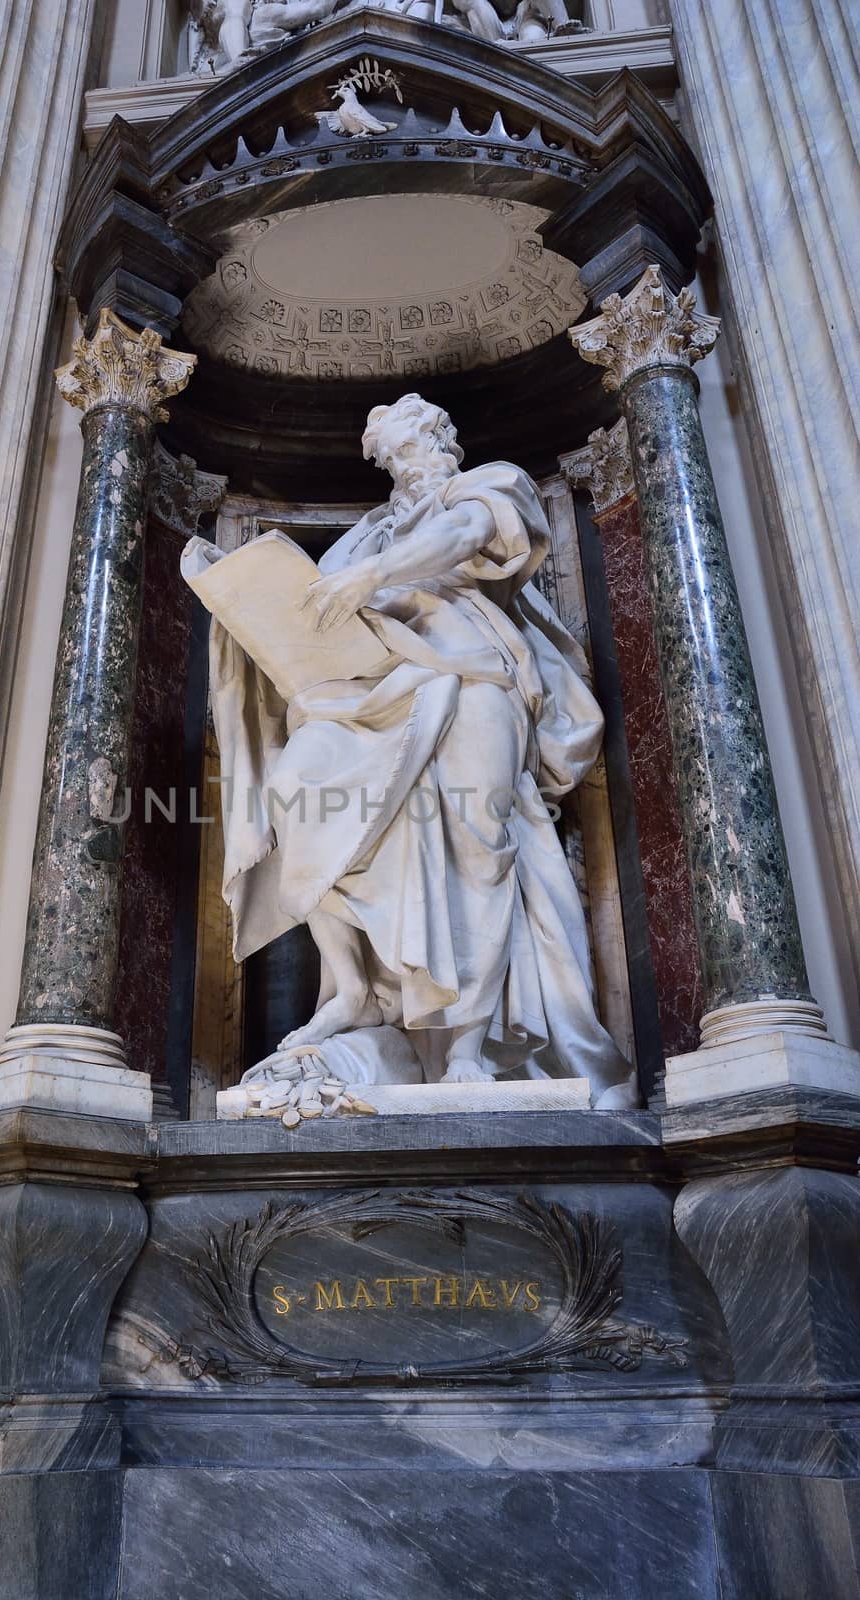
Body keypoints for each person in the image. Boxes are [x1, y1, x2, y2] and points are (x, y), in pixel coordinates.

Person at [207, 394, 636, 1107]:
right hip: (372, 694)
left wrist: (371, 580)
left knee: (477, 848)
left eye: (407, 445)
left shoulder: (486, 487)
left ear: (440, 439)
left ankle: (465, 1043)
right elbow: (308, 609)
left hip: (474, 681)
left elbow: (468, 535)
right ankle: (350, 990)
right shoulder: (370, 533)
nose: (400, 463)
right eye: (387, 456)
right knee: (298, 789)